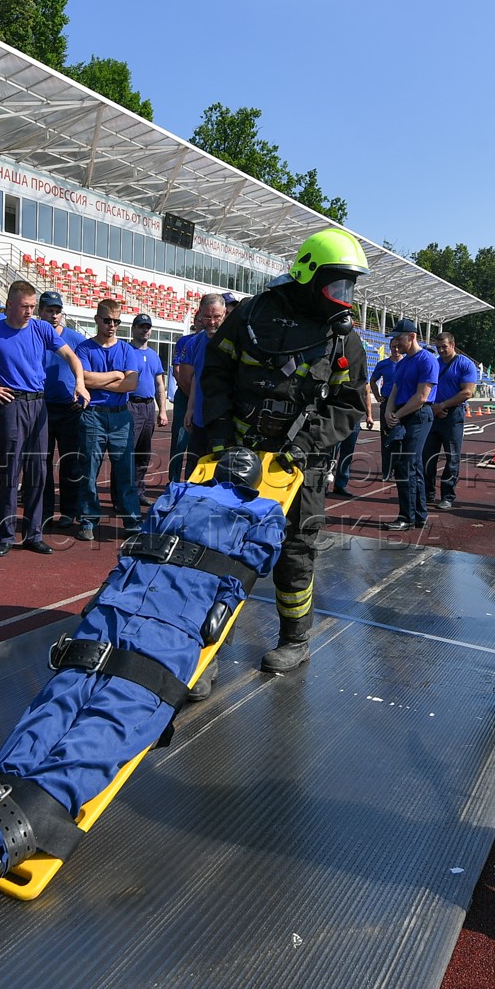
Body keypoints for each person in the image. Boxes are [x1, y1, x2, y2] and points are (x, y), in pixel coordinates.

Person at [200, 228, 369, 672]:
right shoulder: (251, 314)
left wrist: (305, 445)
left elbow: (349, 405)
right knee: (220, 546)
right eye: (338, 284)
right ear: (309, 275)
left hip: (300, 462)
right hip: (237, 452)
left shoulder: (342, 338)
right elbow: (215, 371)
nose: (345, 296)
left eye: (350, 286)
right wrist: (219, 434)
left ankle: (295, 640)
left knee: (296, 550)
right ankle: (207, 650)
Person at [0, 279, 87, 555]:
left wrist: (80, 382)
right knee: (10, 471)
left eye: (32, 306)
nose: (30, 311)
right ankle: (5, 536)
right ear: (9, 306)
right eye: (24, 306)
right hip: (12, 405)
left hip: (39, 405)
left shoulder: (42, 329)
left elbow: (71, 356)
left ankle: (33, 534)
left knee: (38, 472)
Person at [74, 299, 142, 540]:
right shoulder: (84, 349)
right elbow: (85, 380)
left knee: (125, 472)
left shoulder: (126, 349)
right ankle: (88, 520)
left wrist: (98, 381)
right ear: (97, 320)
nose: (112, 325)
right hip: (93, 415)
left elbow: (131, 383)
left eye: (116, 321)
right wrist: (115, 374)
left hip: (120, 415)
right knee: (89, 471)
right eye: (107, 320)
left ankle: (132, 520)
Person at [38, 290, 89, 531]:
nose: (54, 315)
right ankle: (45, 511)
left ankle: (69, 511)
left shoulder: (76, 339)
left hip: (70, 409)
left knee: (71, 463)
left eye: (57, 311)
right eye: (49, 310)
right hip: (42, 408)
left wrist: (82, 392)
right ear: (40, 311)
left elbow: (86, 371)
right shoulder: (33, 335)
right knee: (42, 463)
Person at [382, 320, 437, 531]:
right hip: (404, 414)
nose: (396, 343)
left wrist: (396, 414)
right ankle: (419, 515)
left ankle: (407, 517)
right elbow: (395, 388)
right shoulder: (404, 362)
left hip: (418, 415)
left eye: (399, 338)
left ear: (412, 336)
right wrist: (388, 411)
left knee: (406, 465)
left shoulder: (427, 360)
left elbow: (422, 397)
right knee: (412, 466)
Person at [168, 293, 226, 483]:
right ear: (200, 315)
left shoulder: (234, 340)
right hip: (200, 420)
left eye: (216, 316)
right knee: (193, 473)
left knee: (220, 474)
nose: (212, 322)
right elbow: (194, 378)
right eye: (207, 316)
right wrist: (190, 408)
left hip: (224, 421)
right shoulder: (195, 342)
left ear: (225, 313)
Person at [422, 331, 479, 511]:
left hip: (453, 415)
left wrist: (443, 405)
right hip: (434, 413)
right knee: (427, 457)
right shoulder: (435, 363)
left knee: (452, 457)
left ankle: (447, 496)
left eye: (444, 347)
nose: (440, 350)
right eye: (438, 347)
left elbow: (467, 392)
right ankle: (428, 492)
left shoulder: (465, 364)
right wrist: (434, 407)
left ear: (453, 345)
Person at [127, 313, 168, 502]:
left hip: (148, 407)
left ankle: (138, 493)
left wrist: (162, 411)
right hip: (131, 405)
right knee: (127, 453)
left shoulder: (153, 355)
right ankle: (123, 496)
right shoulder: (126, 350)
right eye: (141, 326)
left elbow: (159, 385)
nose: (145, 330)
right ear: (133, 329)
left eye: (148, 327)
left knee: (143, 454)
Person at [369, 340, 403, 483]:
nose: (396, 350)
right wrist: (377, 396)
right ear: (390, 348)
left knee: (401, 439)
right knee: (386, 439)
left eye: (398, 347)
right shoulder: (383, 364)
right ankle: (386, 471)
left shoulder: (407, 363)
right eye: (393, 347)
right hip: (387, 402)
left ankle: (400, 470)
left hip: (403, 404)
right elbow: (372, 381)